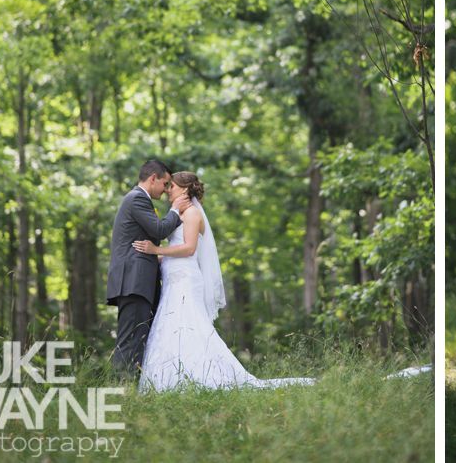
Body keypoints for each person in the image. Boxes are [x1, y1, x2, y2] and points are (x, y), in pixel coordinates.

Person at [132, 171, 315, 391]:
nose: (168, 189)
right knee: (170, 327)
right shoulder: (179, 213)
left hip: (185, 280)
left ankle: (197, 377)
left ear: (184, 189)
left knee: (187, 326)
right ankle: (168, 380)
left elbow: (189, 249)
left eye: (172, 186)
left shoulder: (191, 214)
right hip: (173, 278)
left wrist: (155, 249)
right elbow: (175, 250)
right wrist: (153, 257)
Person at [106, 159, 190, 380]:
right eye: (164, 183)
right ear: (153, 178)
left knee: (139, 338)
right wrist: (174, 210)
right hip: (133, 282)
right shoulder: (136, 199)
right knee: (130, 340)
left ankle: (133, 386)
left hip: (140, 282)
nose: (165, 190)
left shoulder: (140, 200)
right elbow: (159, 229)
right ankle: (119, 389)